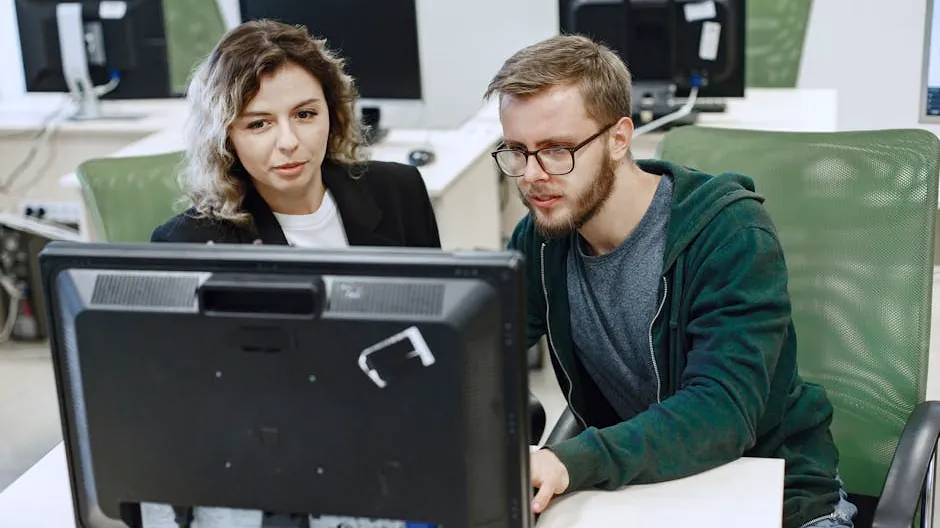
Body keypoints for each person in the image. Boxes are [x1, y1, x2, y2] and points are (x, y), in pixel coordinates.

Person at [486, 35, 857, 528]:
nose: (532, 176)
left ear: (619, 138)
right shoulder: (541, 240)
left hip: (778, 496)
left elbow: (722, 412)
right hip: (647, 496)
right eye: (517, 151)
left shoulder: (729, 235)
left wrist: (575, 460)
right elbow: (481, 353)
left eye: (556, 150)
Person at [151, 20, 440, 249]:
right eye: (259, 124)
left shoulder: (401, 193)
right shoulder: (188, 243)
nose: (289, 142)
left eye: (305, 115)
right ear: (226, 138)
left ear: (333, 113)